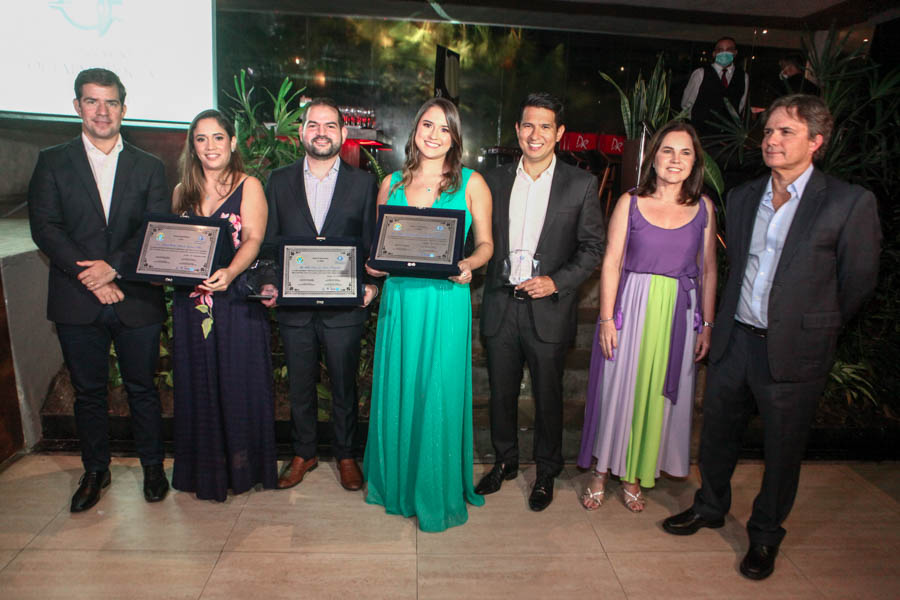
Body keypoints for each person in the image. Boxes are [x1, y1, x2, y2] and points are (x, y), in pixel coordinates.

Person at [662, 95, 881, 580]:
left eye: (786, 132)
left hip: (795, 351)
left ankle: (764, 534)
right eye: (768, 132)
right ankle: (710, 506)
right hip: (736, 341)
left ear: (816, 142)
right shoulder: (744, 197)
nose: (772, 140)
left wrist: (814, 325)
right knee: (717, 435)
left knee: (782, 450)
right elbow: (737, 267)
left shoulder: (848, 202)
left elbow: (858, 282)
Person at [28, 68, 169, 511]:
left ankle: (153, 468)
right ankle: (95, 471)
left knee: (142, 388)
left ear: (124, 109)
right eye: (92, 101)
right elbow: (45, 227)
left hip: (135, 297)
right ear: (77, 107)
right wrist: (90, 276)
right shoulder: (52, 160)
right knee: (88, 392)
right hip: (76, 298)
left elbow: (154, 228)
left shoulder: (150, 166)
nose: (102, 111)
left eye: (111, 102)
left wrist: (113, 269)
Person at [363, 96, 493, 532]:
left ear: (455, 137)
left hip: (445, 299)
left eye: (444, 128)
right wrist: (375, 266)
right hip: (401, 300)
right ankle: (398, 483)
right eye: (427, 125)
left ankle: (436, 488)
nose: (434, 135)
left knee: (438, 390)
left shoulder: (472, 183)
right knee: (401, 386)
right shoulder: (391, 184)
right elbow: (381, 249)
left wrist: (469, 264)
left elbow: (487, 245)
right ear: (415, 130)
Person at [577, 121, 717, 512]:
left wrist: (707, 323)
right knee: (618, 389)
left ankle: (636, 474)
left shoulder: (704, 208)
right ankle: (601, 471)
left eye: (685, 152)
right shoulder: (630, 202)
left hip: (678, 314)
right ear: (653, 157)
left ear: (695, 162)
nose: (675, 159)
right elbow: (611, 262)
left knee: (656, 395)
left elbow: (708, 269)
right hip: (632, 306)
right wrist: (607, 319)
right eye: (667, 150)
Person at [475, 92, 605, 511]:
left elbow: (593, 247)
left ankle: (547, 471)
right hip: (501, 304)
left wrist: (556, 282)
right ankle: (505, 461)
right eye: (528, 125)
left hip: (549, 308)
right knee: (501, 393)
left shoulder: (580, 184)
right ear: (517, 130)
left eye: (545, 126)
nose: (536, 134)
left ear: (559, 133)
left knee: (549, 396)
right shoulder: (491, 182)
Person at [260, 98, 378, 492]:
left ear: (343, 133)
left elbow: (370, 244)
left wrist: (372, 285)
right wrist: (271, 281)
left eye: (330, 125)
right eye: (313, 125)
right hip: (294, 306)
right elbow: (270, 242)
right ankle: (304, 452)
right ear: (301, 132)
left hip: (345, 307)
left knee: (344, 384)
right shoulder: (278, 181)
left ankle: (345, 454)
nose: (321, 132)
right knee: (299, 384)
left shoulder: (363, 184)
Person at [170, 109, 277, 502]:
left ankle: (243, 470)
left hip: (235, 302)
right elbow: (174, 246)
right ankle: (205, 473)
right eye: (201, 138)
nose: (210, 146)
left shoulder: (249, 186)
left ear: (232, 142)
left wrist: (230, 273)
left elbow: (254, 239)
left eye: (218, 137)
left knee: (237, 384)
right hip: (191, 305)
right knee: (198, 384)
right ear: (193, 146)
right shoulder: (181, 192)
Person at [681, 37, 750, 137]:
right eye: (720, 50)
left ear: (735, 53)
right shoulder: (700, 73)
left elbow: (740, 105)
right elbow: (687, 104)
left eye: (729, 49)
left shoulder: (743, 77)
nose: (725, 53)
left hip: (728, 136)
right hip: (701, 133)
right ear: (714, 53)